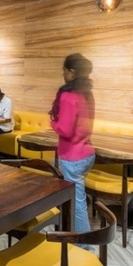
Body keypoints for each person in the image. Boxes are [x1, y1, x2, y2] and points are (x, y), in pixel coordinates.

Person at [49, 53, 95, 241]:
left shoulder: (68, 96)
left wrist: (53, 123)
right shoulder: (87, 93)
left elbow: (65, 130)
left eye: (65, 70)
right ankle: (73, 234)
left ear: (72, 72)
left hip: (72, 157)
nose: (63, 74)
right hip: (87, 153)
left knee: (77, 203)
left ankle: (84, 244)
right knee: (77, 199)